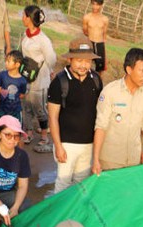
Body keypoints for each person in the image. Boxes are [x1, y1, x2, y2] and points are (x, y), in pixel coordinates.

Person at [91, 47, 143, 174]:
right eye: (142, 70)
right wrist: (95, 159)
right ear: (129, 69)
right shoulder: (110, 91)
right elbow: (101, 127)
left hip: (133, 161)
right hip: (110, 162)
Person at [46, 36, 101, 192]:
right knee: (63, 185)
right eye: (79, 60)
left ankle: (75, 216)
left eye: (87, 61)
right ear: (70, 59)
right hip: (66, 144)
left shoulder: (96, 80)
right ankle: (59, 216)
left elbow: (98, 112)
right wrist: (58, 146)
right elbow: (53, 117)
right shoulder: (59, 82)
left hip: (88, 144)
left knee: (80, 185)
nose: (83, 65)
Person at [20, 5, 56, 148]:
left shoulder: (43, 39)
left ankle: (44, 136)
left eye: (24, 16)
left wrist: (49, 69)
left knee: (40, 107)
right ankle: (29, 133)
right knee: (27, 106)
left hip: (40, 79)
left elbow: (51, 58)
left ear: (29, 18)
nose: (22, 18)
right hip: (27, 76)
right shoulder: (26, 35)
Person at [0, 50, 27, 122]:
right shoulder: (2, 75)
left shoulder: (22, 81)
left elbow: (22, 95)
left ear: (17, 65)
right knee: (2, 126)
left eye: (8, 61)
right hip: (2, 109)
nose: (6, 63)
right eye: (6, 60)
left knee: (16, 129)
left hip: (15, 111)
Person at [82, 0, 108, 73]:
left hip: (100, 44)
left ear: (101, 5)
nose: (95, 7)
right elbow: (85, 31)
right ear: (91, 4)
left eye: (97, 5)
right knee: (85, 65)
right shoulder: (87, 17)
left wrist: (104, 54)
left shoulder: (105, 19)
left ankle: (98, 83)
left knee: (100, 68)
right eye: (93, 4)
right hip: (90, 43)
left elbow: (104, 36)